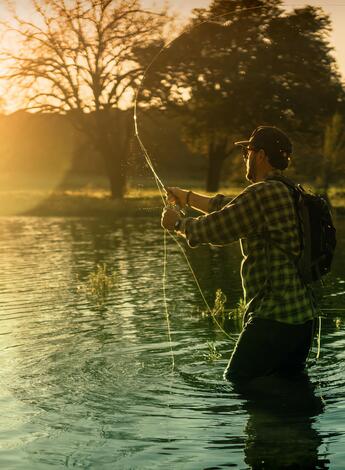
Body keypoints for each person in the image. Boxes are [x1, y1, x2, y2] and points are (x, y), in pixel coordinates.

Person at [161, 125, 317, 381]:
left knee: (237, 382)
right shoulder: (288, 190)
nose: (245, 158)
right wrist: (186, 197)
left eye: (248, 152)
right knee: (287, 390)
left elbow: (216, 229)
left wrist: (177, 224)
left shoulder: (262, 193)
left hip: (273, 320)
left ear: (261, 156)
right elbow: (228, 208)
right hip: (302, 321)